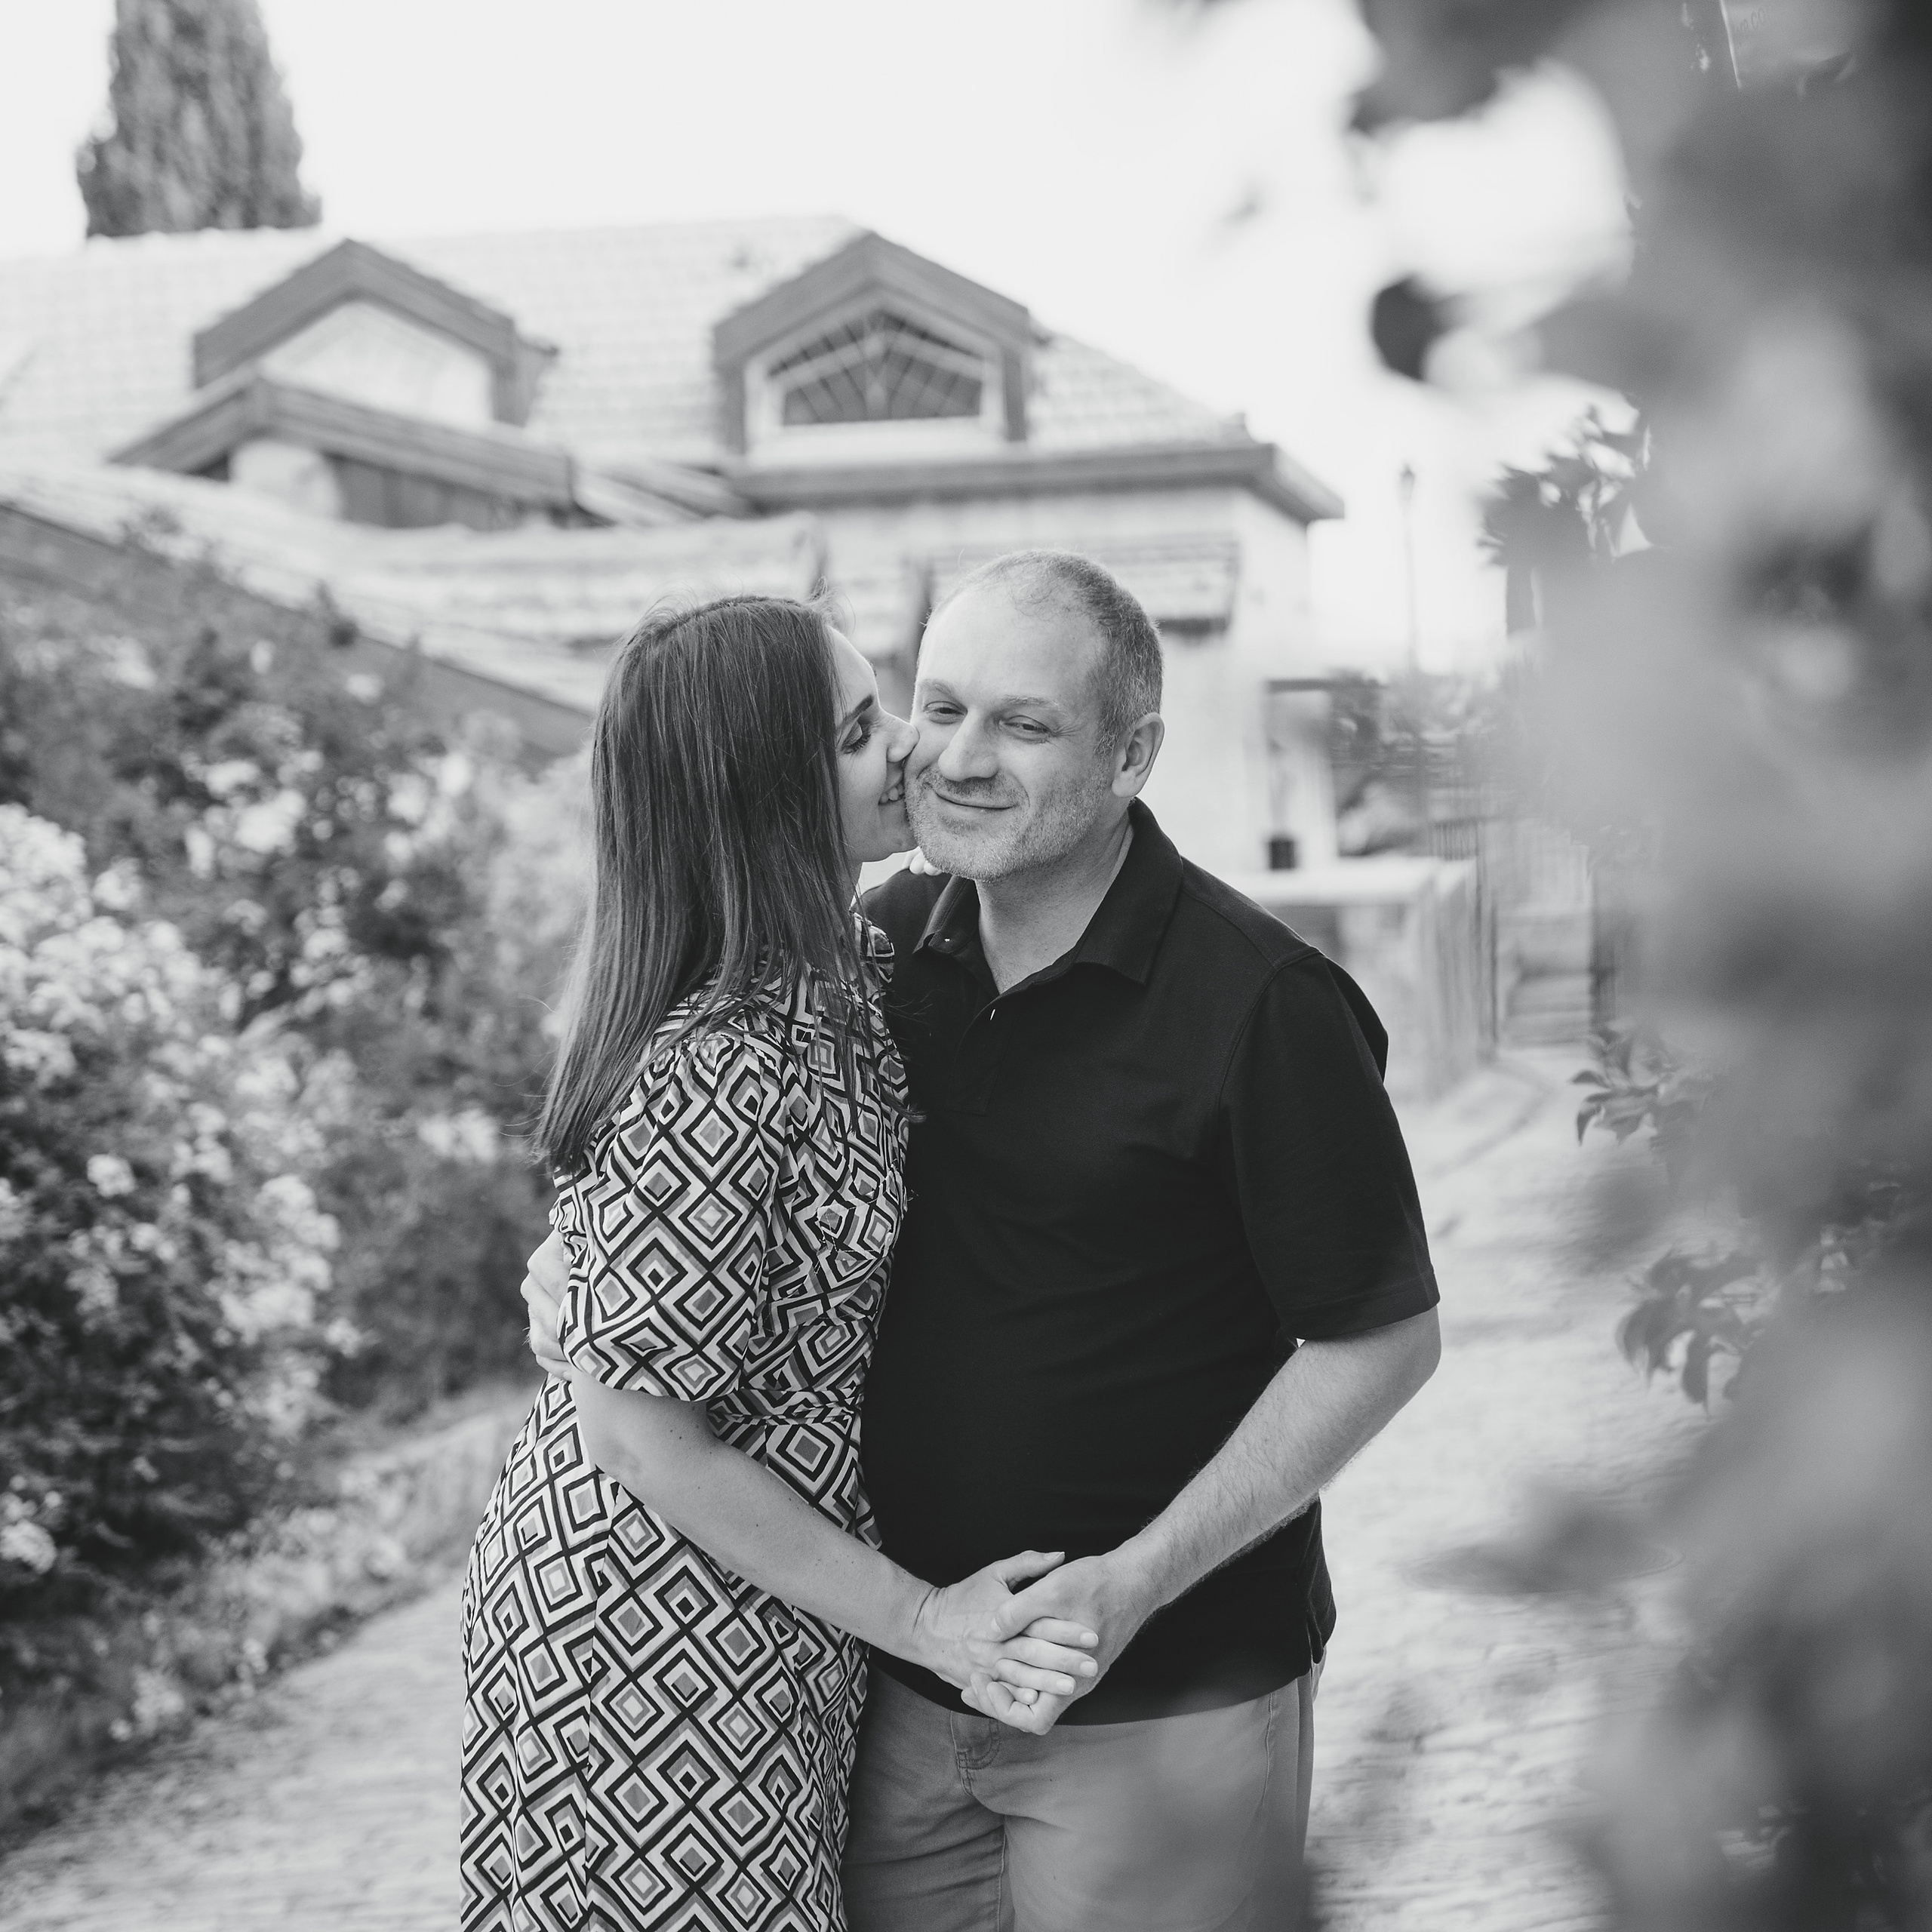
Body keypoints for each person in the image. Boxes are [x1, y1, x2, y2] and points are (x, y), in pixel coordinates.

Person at [461, 596, 1109, 1932]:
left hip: (768, 1614)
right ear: (768, 791)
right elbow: (649, 1441)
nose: (914, 757)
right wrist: (931, 1622)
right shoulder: (720, 1055)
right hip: (646, 1632)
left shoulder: (848, 970)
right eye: (863, 731)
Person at [838, 552, 1442, 1931]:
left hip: (1170, 1705)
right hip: (897, 1697)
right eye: (941, 707)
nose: (962, 759)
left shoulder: (1265, 1004)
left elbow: (1383, 1337)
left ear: (1134, 755)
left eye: (1027, 723)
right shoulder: (878, 949)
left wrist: (1135, 1584)